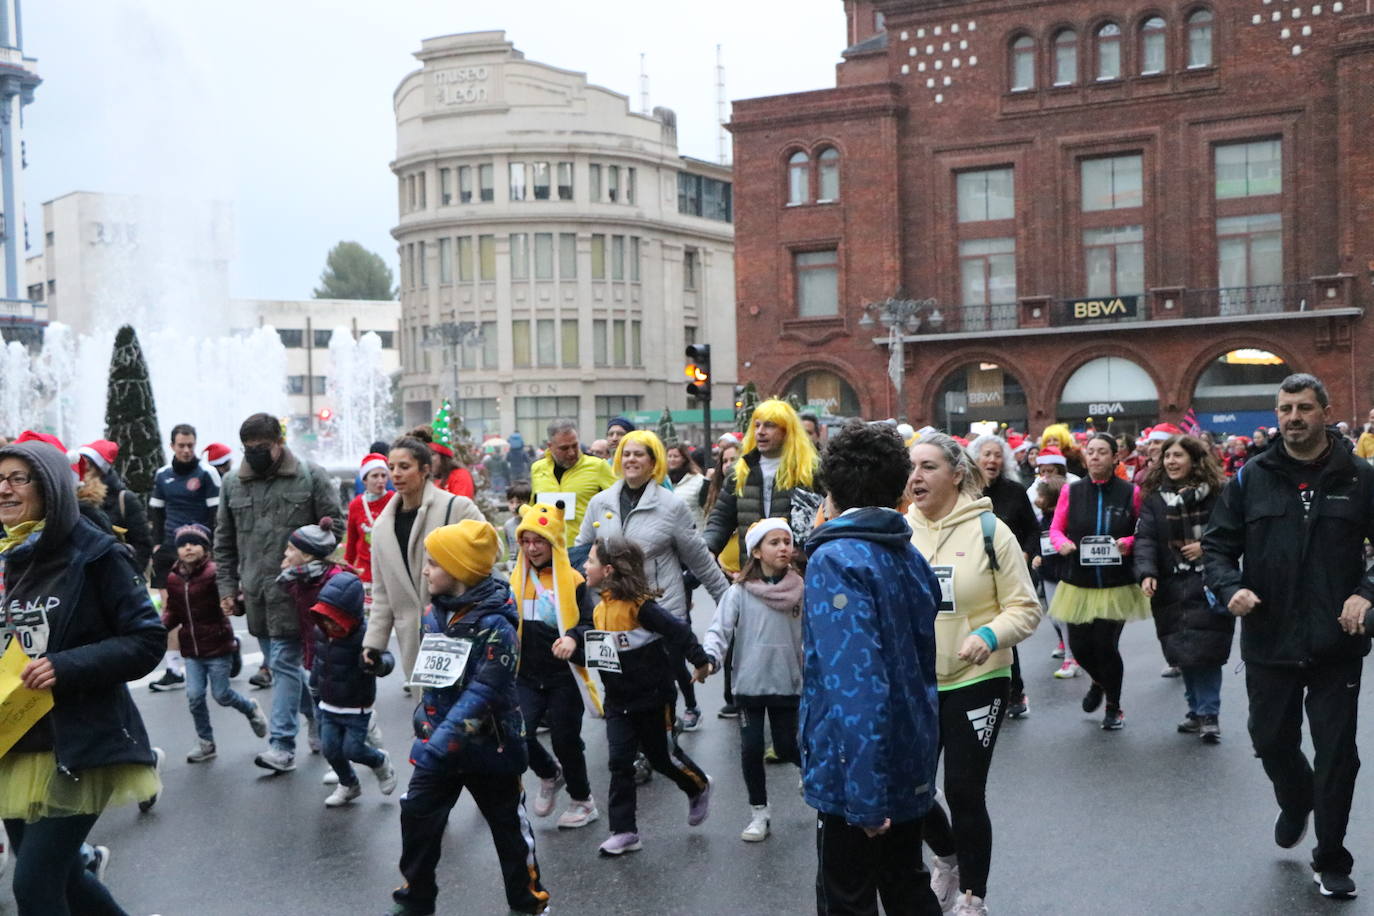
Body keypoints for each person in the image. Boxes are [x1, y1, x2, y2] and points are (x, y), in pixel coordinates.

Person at [1204, 373, 1374, 901]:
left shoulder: (1360, 476)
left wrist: (1367, 591)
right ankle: (1296, 796)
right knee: (1270, 740)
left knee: (1337, 754)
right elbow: (1217, 546)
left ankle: (1331, 856)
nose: (1293, 417)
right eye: (1284, 409)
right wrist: (1230, 587)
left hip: (1335, 642)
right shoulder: (1253, 476)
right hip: (1269, 639)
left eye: (1303, 407)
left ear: (1325, 411)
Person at [0, 439, 164, 915]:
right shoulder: (8, 555)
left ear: (49, 487)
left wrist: (65, 666)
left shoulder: (94, 553)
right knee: (67, 877)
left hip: (76, 743)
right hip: (16, 741)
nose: (4, 490)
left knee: (33, 887)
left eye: (17, 479)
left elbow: (146, 639)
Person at [801, 420, 943, 916]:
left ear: (831, 489)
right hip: (910, 750)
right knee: (905, 884)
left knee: (847, 898)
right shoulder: (906, 553)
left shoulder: (837, 559)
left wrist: (863, 795)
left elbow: (856, 684)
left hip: (855, 769)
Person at [907, 433, 1041, 916]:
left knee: (964, 790)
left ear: (956, 473)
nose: (915, 477)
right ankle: (947, 858)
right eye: (912, 467)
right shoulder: (902, 531)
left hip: (977, 678)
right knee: (913, 787)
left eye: (927, 467)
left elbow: (1026, 608)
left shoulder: (991, 530)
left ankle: (973, 896)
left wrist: (987, 637)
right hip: (918, 679)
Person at [389, 519, 549, 916]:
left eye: (433, 563)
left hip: (490, 747)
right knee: (417, 816)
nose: (425, 570)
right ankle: (415, 899)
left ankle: (529, 904)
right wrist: (425, 720)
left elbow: (485, 692)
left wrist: (441, 741)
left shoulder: (496, 625)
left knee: (509, 830)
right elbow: (432, 678)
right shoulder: (435, 614)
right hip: (438, 745)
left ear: (459, 571)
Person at [552, 536, 713, 857]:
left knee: (662, 757)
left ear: (608, 569)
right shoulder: (599, 611)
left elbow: (678, 632)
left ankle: (698, 785)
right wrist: (570, 651)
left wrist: (700, 660)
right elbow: (598, 658)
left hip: (654, 699)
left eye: (591, 561)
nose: (584, 565)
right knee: (619, 763)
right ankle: (625, 832)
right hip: (619, 703)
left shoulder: (642, 607)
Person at [214, 412, 342, 774]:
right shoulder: (232, 484)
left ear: (279, 443)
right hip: (257, 597)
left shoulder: (309, 476)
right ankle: (316, 717)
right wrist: (227, 588)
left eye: (262, 447)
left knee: (284, 663)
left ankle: (282, 745)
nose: (253, 454)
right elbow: (223, 542)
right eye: (248, 448)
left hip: (299, 595)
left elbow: (337, 528)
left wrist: (307, 559)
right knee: (286, 667)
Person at [576, 430, 729, 731]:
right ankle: (629, 757)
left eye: (639, 454)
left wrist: (730, 604)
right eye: (626, 454)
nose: (631, 460)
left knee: (655, 694)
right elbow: (581, 554)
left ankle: (661, 746)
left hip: (657, 614)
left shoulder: (671, 506)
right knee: (616, 690)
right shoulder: (600, 503)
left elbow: (700, 560)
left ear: (653, 461)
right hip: (610, 616)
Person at [701, 518, 804, 842]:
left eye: (786, 542)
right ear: (756, 551)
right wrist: (710, 659)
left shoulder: (802, 589)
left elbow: (815, 634)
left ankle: (813, 777)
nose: (783, 548)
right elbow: (720, 630)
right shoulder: (739, 591)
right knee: (751, 749)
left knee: (788, 746)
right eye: (774, 543)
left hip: (788, 682)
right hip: (749, 685)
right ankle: (759, 812)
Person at [1135, 434, 1234, 743]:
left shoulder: (1219, 494)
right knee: (1183, 650)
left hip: (1209, 581)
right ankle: (1196, 710)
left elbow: (1234, 533)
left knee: (1207, 650)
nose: (1171, 462)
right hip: (1170, 585)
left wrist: (1205, 546)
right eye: (1167, 457)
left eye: (1178, 456)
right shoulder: (1154, 499)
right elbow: (1146, 539)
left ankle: (1209, 714)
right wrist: (1146, 572)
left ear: (1194, 459)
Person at [1048, 433, 1151, 730]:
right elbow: (1056, 528)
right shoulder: (1072, 491)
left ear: (1114, 457)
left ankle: (1114, 706)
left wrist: (1128, 543)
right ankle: (1097, 680)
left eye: (1102, 452)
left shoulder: (1130, 492)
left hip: (1115, 584)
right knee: (1079, 647)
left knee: (1105, 645)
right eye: (1090, 451)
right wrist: (1062, 543)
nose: (1095, 457)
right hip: (1078, 581)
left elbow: (1142, 531)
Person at [509, 501, 601, 829]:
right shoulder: (514, 579)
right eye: (526, 541)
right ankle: (549, 773)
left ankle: (583, 800)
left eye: (539, 541)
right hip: (526, 675)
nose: (532, 548)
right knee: (518, 733)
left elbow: (592, 621)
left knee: (565, 738)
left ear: (554, 543)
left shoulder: (574, 580)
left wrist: (574, 638)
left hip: (564, 677)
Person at [363, 435, 484, 684]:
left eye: (404, 467)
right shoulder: (382, 527)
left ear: (425, 470)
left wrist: (451, 567)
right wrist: (374, 644)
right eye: (392, 467)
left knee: (468, 709)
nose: (395, 474)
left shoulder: (456, 507)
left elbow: (491, 550)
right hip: (413, 639)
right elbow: (382, 592)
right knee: (427, 713)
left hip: (459, 627)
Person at [163, 523, 268, 762]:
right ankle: (206, 742)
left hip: (217, 643)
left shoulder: (214, 573)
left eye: (194, 543)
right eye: (183, 545)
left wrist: (236, 603)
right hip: (191, 647)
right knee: (194, 696)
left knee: (221, 694)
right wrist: (158, 628)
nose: (188, 548)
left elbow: (232, 595)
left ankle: (250, 709)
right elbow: (173, 610)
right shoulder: (173, 578)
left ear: (206, 548)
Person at [307, 570, 398, 807]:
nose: (329, 625)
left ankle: (380, 762)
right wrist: (314, 685)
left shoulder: (366, 636)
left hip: (357, 705)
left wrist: (376, 663)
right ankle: (349, 784)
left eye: (335, 620)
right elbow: (319, 662)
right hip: (329, 704)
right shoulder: (321, 632)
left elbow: (387, 659)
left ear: (350, 617)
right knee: (331, 749)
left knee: (353, 749)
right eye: (324, 619)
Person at [967, 433, 1039, 720]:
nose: (992, 460)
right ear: (975, 459)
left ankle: (1015, 692)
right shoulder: (965, 491)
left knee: (1003, 632)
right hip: (972, 571)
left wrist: (1025, 553)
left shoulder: (1015, 491)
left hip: (1006, 573)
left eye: (997, 455)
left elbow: (1033, 529)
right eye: (986, 454)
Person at [149, 422, 222, 691]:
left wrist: (212, 549)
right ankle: (173, 668)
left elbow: (217, 515)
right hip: (169, 550)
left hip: (199, 552)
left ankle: (228, 649)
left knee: (204, 611)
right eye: (181, 445)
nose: (186, 450)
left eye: (190, 445)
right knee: (171, 610)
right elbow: (155, 513)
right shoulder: (162, 475)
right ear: (172, 446)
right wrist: (156, 545)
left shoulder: (208, 474)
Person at [76, 439, 153, 575]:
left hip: (115, 577)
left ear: (99, 470)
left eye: (87, 466)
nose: (82, 471)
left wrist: (130, 577)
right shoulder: (72, 496)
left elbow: (143, 545)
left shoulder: (124, 499)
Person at [528, 418, 616, 524]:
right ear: (550, 446)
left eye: (575, 446)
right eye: (564, 448)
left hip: (587, 539)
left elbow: (618, 502)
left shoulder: (598, 466)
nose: (571, 452)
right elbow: (533, 508)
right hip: (549, 539)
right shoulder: (537, 468)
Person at [344, 452, 395, 591]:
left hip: (391, 571)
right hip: (365, 572)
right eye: (375, 476)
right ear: (364, 480)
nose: (380, 480)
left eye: (384, 475)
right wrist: (347, 569)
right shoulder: (356, 505)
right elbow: (352, 542)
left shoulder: (395, 500)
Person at [666, 442, 707, 530]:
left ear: (684, 458)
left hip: (694, 532)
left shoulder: (698, 480)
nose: (672, 459)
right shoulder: (663, 481)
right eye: (669, 456)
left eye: (675, 456)